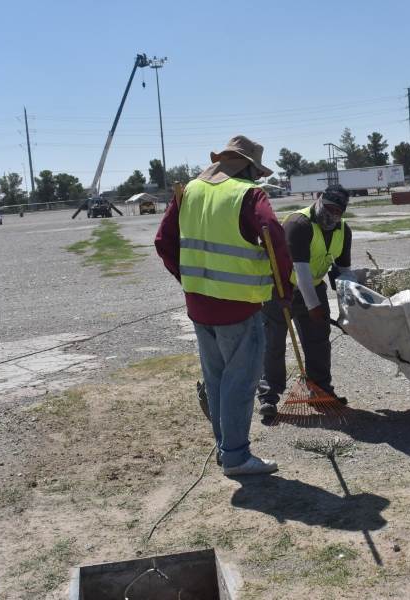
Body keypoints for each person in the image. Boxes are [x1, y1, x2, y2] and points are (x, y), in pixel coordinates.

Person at [154, 135, 293, 476]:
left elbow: (163, 242)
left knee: (217, 382)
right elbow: (273, 234)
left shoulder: (189, 191)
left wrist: (188, 279)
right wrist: (283, 287)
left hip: (199, 306)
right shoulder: (248, 194)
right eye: (255, 172)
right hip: (238, 307)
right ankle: (236, 456)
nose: (257, 179)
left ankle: (225, 448)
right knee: (241, 383)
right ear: (246, 166)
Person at [257, 184, 354, 417]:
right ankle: (269, 396)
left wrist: (349, 310)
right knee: (274, 341)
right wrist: (314, 307)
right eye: (328, 207)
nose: (331, 215)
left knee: (318, 340)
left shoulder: (343, 230)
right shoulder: (298, 224)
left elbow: (344, 273)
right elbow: (300, 272)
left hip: (315, 286)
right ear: (319, 199)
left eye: (337, 211)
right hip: (281, 288)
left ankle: (320, 391)